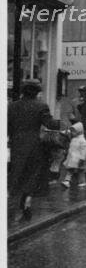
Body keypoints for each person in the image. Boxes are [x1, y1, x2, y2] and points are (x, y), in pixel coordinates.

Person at [8, 80, 59, 220]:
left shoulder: (11, 106)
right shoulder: (41, 106)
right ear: (37, 92)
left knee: (16, 172)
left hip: (16, 144)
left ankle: (12, 200)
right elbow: (50, 124)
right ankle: (27, 198)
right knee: (32, 173)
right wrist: (61, 123)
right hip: (34, 144)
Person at [61, 122, 86, 188]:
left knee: (81, 171)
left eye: (74, 131)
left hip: (79, 159)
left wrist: (82, 158)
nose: (72, 133)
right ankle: (67, 181)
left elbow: (84, 150)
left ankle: (82, 182)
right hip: (72, 159)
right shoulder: (74, 139)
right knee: (70, 170)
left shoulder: (82, 140)